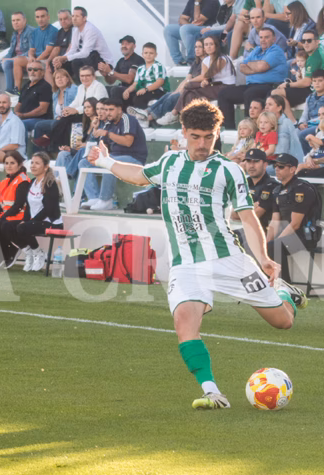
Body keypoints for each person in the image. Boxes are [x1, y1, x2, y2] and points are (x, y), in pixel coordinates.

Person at [87, 98, 307, 410]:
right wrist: (105, 162)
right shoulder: (170, 163)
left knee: (283, 322)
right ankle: (212, 392)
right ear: (184, 132)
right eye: (195, 137)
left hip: (228, 259)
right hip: (185, 264)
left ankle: (284, 294)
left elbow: (248, 218)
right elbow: (138, 174)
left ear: (217, 134)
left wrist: (264, 260)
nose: (202, 144)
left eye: (209, 137)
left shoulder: (229, 170)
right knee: (184, 324)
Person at [82, 98, 148, 211]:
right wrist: (96, 129)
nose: (108, 113)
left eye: (111, 110)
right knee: (84, 162)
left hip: (134, 159)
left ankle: (106, 200)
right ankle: (94, 197)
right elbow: (103, 144)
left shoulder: (128, 119)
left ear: (119, 110)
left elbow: (128, 142)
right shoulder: (108, 122)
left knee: (109, 161)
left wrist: (107, 134)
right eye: (106, 110)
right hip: (115, 157)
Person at [218, 25, 288, 130]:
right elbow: (242, 67)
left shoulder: (276, 51)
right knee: (224, 94)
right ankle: (229, 129)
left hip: (270, 86)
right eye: (261, 37)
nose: (263, 40)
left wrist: (253, 67)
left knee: (250, 93)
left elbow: (262, 66)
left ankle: (250, 129)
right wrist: (257, 67)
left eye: (266, 37)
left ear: (274, 39)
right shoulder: (257, 50)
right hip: (252, 85)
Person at [265, 152, 320, 284]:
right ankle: (269, 283)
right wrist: (265, 244)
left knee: (275, 246)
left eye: (281, 167)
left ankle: (285, 286)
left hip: (305, 235)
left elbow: (295, 224)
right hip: (289, 234)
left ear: (292, 169)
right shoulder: (277, 190)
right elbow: (275, 221)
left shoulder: (302, 189)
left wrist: (275, 242)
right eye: (275, 166)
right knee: (264, 246)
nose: (276, 169)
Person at [5, 152, 63, 272]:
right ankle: (29, 252)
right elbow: (28, 206)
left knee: (22, 227)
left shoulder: (50, 183)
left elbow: (49, 209)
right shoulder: (32, 182)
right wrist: (25, 221)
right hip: (34, 221)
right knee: (6, 226)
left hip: (51, 222)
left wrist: (30, 222)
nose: (33, 166)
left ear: (45, 167)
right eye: (32, 163)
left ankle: (38, 253)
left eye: (37, 163)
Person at [132, 39, 204, 127]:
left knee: (173, 97)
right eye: (195, 47)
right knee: (169, 94)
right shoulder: (196, 63)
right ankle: (146, 112)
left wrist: (181, 89)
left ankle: (148, 118)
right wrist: (177, 90)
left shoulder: (206, 62)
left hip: (196, 90)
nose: (197, 49)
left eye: (200, 47)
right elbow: (187, 79)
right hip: (188, 88)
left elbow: (197, 79)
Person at [37, 65, 105, 150]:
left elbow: (94, 106)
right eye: (82, 76)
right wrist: (67, 110)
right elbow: (76, 102)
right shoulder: (81, 87)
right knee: (66, 118)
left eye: (87, 75)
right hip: (85, 115)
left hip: (95, 116)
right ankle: (59, 146)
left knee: (66, 120)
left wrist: (75, 110)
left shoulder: (99, 87)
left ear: (93, 76)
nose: (84, 78)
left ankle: (51, 140)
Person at [272, 30, 324, 124]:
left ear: (317, 42)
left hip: (316, 89)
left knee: (276, 93)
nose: (305, 43)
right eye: (303, 41)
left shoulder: (314, 57)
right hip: (317, 87)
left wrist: (288, 85)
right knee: (274, 89)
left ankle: (293, 122)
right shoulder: (318, 52)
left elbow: (307, 82)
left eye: (309, 40)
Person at [0, 150, 30, 268]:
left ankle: (10, 251)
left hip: (19, 217)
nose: (9, 166)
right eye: (6, 163)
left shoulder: (23, 181)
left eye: (12, 163)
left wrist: (1, 218)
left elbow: (18, 205)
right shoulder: (4, 182)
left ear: (20, 164)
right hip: (7, 217)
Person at [54, 6, 113, 86]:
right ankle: (72, 88)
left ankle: (84, 86)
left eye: (77, 16)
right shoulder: (75, 29)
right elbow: (73, 49)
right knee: (64, 64)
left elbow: (85, 53)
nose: (74, 19)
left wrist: (65, 58)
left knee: (77, 61)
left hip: (102, 61)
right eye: (73, 16)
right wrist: (61, 59)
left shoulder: (90, 30)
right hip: (88, 58)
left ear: (84, 18)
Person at [231, 148, 279, 233]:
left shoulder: (271, 185)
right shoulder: (244, 183)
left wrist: (244, 209)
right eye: (248, 161)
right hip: (248, 231)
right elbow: (233, 215)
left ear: (265, 165)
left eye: (256, 162)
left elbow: (256, 215)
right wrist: (253, 206)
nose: (251, 166)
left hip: (266, 233)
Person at [0, 11, 32, 96]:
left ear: (25, 20)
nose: (15, 22)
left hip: (24, 61)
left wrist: (11, 59)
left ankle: (11, 91)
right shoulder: (14, 34)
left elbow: (31, 51)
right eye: (13, 20)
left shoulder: (31, 32)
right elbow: (11, 51)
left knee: (7, 63)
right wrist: (5, 58)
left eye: (18, 20)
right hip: (13, 61)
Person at [54, 97, 101, 180]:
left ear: (95, 108)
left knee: (82, 153)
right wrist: (70, 149)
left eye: (89, 107)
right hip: (81, 153)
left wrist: (84, 145)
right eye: (85, 107)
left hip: (91, 154)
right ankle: (56, 181)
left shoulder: (99, 123)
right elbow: (80, 146)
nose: (86, 110)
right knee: (62, 154)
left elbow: (97, 143)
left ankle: (67, 175)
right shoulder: (85, 124)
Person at [163, 0, 220, 66]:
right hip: (192, 28)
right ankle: (179, 61)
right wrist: (189, 25)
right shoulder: (191, 1)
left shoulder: (212, 1)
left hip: (207, 29)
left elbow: (197, 20)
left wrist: (197, 3)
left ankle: (193, 60)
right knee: (169, 29)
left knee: (185, 29)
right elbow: (181, 18)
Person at [31, 68, 77, 146]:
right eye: (57, 78)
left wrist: (62, 117)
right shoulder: (55, 94)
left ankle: (52, 146)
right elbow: (55, 114)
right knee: (39, 125)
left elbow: (74, 107)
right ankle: (39, 151)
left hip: (69, 120)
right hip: (58, 120)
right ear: (54, 81)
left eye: (62, 77)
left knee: (55, 124)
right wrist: (58, 118)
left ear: (67, 79)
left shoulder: (73, 89)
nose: (60, 79)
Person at [120, 42, 167, 111]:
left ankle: (142, 116)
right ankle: (124, 114)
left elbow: (160, 82)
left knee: (139, 97)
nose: (148, 55)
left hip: (156, 91)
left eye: (151, 53)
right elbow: (135, 84)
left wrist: (146, 89)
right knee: (120, 92)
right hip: (142, 91)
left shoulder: (158, 66)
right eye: (146, 53)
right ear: (142, 54)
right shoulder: (140, 68)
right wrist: (127, 90)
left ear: (156, 55)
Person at [296, 70, 324, 153]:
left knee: (303, 134)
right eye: (314, 81)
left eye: (320, 81)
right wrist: (301, 123)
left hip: (322, 125)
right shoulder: (310, 97)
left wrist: (309, 123)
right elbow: (305, 114)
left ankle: (310, 156)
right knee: (295, 132)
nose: (317, 84)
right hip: (309, 124)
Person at [14, 60, 52, 132]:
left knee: (21, 124)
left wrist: (23, 115)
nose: (32, 72)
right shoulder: (26, 85)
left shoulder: (45, 86)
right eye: (30, 69)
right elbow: (19, 104)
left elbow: (42, 110)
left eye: (35, 70)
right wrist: (15, 114)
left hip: (40, 119)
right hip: (24, 118)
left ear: (42, 72)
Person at [265, 94, 303, 162]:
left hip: (282, 162)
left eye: (270, 104)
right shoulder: (263, 124)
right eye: (266, 104)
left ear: (279, 108)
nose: (266, 107)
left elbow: (293, 146)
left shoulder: (286, 123)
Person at [43, 8, 73, 85]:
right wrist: (48, 61)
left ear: (71, 18)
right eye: (60, 19)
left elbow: (71, 48)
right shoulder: (60, 32)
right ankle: (53, 89)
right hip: (60, 59)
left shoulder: (75, 30)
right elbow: (56, 48)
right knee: (48, 66)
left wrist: (62, 59)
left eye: (65, 18)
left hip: (69, 59)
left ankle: (63, 88)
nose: (63, 21)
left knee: (59, 65)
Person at [25, 7, 57, 77]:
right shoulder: (34, 32)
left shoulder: (53, 31)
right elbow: (31, 49)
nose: (40, 19)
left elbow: (47, 52)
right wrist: (31, 56)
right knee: (16, 61)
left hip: (46, 60)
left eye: (42, 16)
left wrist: (36, 61)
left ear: (48, 17)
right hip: (36, 59)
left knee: (33, 66)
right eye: (37, 17)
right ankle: (16, 84)